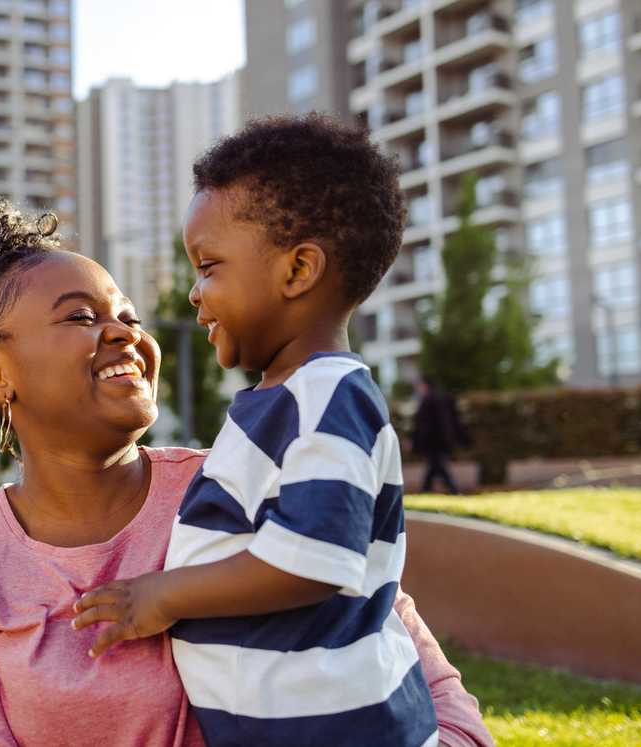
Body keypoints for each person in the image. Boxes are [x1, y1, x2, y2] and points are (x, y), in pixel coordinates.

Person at [0, 198, 494, 746]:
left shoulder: (255, 482)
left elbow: (440, 705)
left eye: (130, 317)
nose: (124, 333)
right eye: (79, 318)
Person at [73, 114, 435, 746]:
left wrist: (164, 596)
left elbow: (315, 560)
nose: (194, 293)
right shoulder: (283, 399)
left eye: (209, 266)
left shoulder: (327, 394)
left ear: (297, 271)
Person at [413, 375, 467, 494]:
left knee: (437, 465)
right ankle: (427, 489)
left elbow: (424, 424)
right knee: (435, 465)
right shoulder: (443, 397)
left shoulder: (428, 400)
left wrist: (418, 441)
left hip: (433, 439)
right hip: (443, 438)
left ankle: (450, 489)